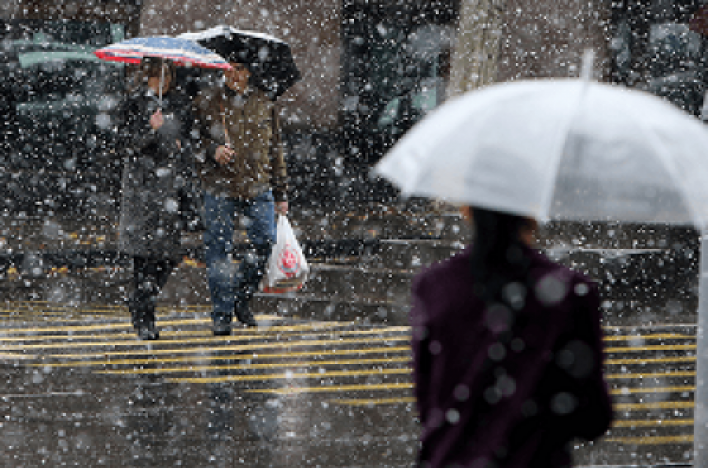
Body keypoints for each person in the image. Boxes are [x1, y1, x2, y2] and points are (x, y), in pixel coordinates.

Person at [410, 206, 613, 467]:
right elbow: (593, 419)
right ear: (533, 211)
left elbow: (427, 404)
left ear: (467, 210)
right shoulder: (570, 291)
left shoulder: (434, 286)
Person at [192, 59, 288, 335]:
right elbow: (192, 139)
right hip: (219, 187)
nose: (235, 74)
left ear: (249, 72)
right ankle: (221, 314)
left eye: (240, 68)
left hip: (258, 185)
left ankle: (241, 297)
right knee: (219, 251)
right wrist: (212, 150)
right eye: (230, 68)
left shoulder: (264, 102)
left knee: (265, 241)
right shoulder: (207, 100)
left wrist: (281, 191)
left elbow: (275, 148)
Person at [116, 59, 196, 340]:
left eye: (167, 75)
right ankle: (145, 318)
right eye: (156, 76)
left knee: (168, 257)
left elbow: (187, 140)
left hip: (169, 191)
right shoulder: (132, 104)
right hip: (142, 191)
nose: (162, 81)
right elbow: (124, 144)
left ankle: (139, 300)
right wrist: (150, 130)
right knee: (144, 259)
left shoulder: (180, 104)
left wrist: (181, 146)